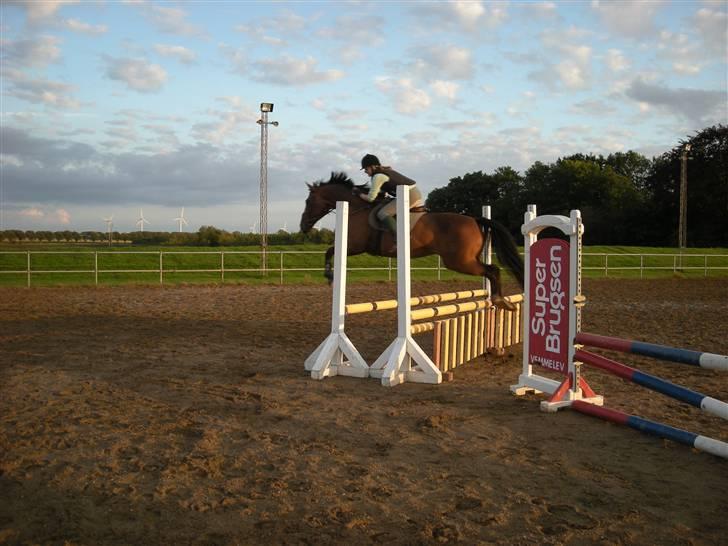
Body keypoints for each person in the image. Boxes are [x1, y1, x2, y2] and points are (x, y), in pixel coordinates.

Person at [357, 154, 424, 250]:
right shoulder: (383, 172)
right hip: (411, 192)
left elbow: (371, 198)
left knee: (383, 213)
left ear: (373, 166)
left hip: (410, 195)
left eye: (366, 169)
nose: (365, 171)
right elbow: (382, 192)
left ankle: (401, 237)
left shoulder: (378, 176)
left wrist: (359, 194)